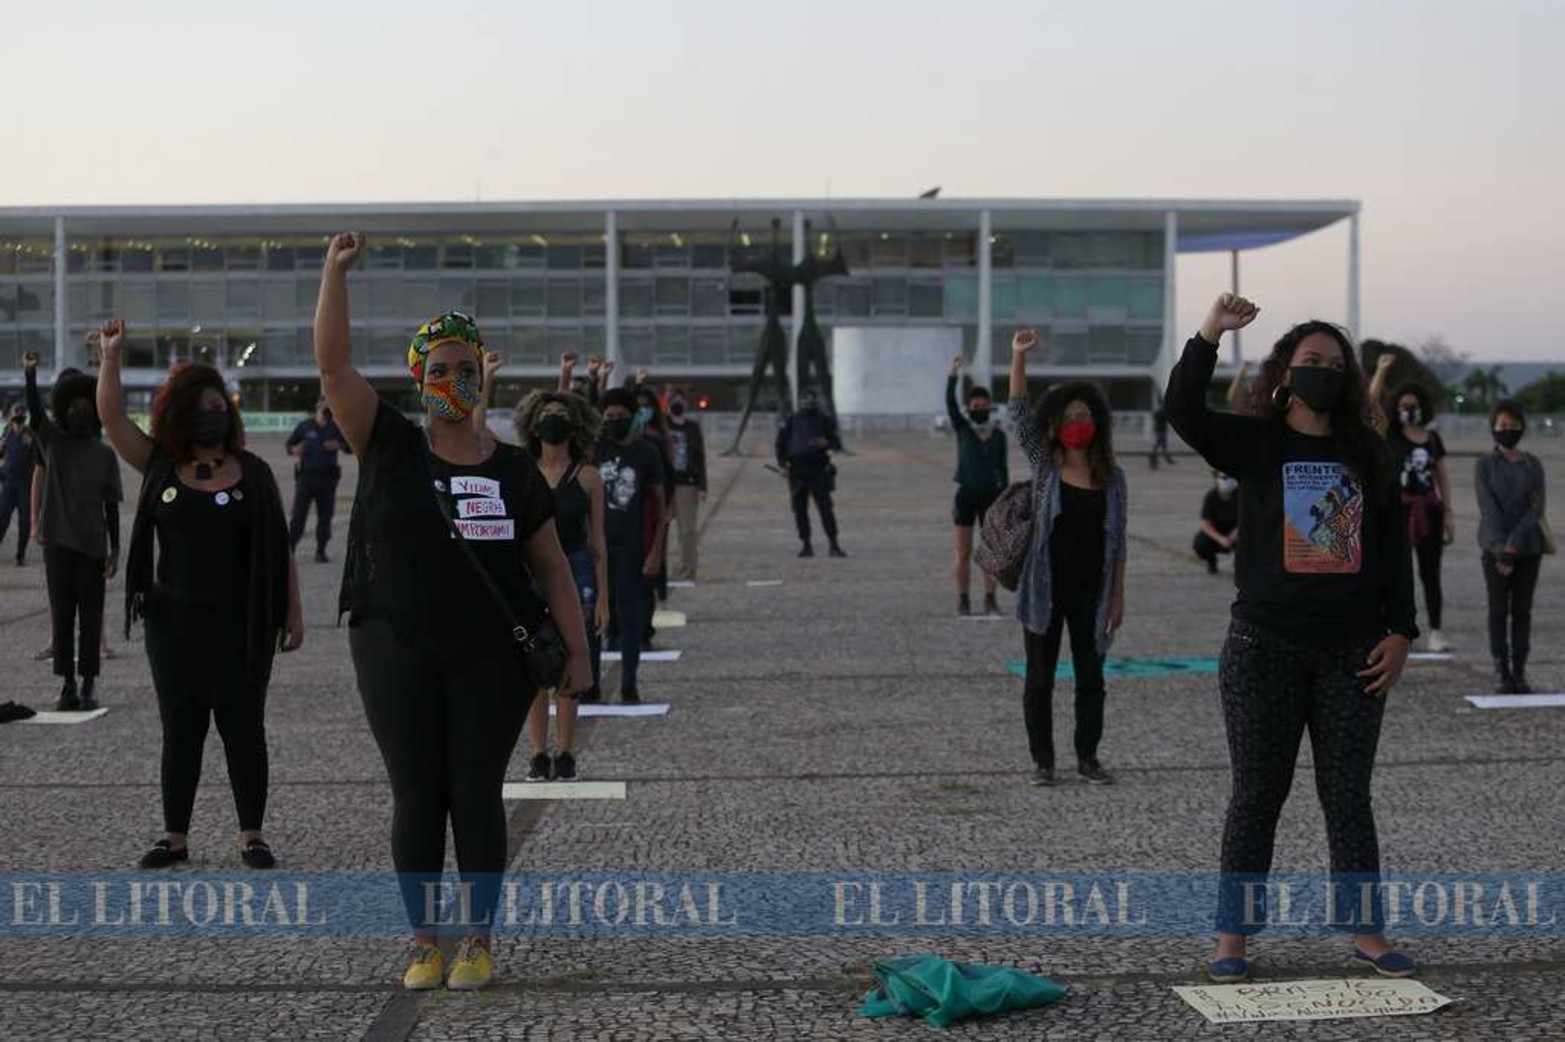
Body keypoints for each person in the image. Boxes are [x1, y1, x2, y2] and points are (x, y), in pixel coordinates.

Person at [316, 233, 590, 992]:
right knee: (416, 794)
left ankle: (476, 938)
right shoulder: (388, 444)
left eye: (465, 369)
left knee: (473, 793)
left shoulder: (514, 470)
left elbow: (552, 567)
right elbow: (334, 366)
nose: (453, 380)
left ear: (481, 377)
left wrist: (578, 653)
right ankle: (421, 942)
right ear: (418, 378)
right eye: (438, 370)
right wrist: (334, 273)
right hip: (393, 647)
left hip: (491, 658)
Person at [1165, 293, 1418, 985]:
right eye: (1310, 361)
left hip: (1353, 652)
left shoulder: (1367, 452)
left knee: (1348, 795)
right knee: (1256, 795)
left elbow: (1393, 547)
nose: (1322, 372)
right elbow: (1183, 411)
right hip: (1263, 647)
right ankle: (1233, 937)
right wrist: (1209, 333)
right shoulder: (1256, 442)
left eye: (1334, 365)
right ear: (1284, 371)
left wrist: (1402, 630)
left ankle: (1365, 931)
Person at [96, 319, 303, 871]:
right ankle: (175, 837)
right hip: (173, 622)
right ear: (180, 413)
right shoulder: (160, 465)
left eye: (220, 405)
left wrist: (293, 613)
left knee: (243, 727)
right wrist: (111, 358)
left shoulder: (254, 473)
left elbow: (279, 549)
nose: (214, 413)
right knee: (181, 728)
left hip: (243, 622)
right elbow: (112, 419)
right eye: (202, 406)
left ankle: (251, 834)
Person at [1008, 330, 1127, 787]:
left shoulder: (1112, 477)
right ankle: (1043, 762)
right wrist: (1018, 358)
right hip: (1045, 588)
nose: (1079, 422)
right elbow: (1019, 413)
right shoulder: (1045, 465)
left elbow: (1118, 542)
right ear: (1055, 424)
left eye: (1085, 415)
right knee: (1040, 678)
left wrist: (1117, 597)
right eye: (1070, 416)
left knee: (1091, 678)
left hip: (1091, 592)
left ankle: (1088, 758)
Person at [514, 388, 610, 778]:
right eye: (546, 413)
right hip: (531, 574)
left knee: (572, 658)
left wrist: (603, 598)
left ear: (575, 426)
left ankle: (566, 751)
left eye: (560, 413)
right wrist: (486, 382)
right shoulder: (524, 471)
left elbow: (598, 543)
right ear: (533, 425)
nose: (552, 419)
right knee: (535, 665)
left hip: (576, 571)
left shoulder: (588, 477)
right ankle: (539, 752)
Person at [24, 352, 122, 711]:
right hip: (58, 545)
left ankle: (89, 683)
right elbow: (36, 415)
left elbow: (111, 506)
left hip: (92, 546)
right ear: (64, 410)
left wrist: (115, 550)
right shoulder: (53, 443)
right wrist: (30, 375)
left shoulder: (104, 455)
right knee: (63, 617)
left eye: (86, 404)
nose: (80, 409)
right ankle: (67, 684)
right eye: (74, 404)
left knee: (90, 619)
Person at [596, 387, 667, 704]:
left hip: (633, 545)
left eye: (620, 416)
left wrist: (656, 552)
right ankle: (591, 682)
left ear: (632, 417)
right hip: (597, 545)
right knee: (594, 614)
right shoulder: (596, 449)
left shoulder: (646, 452)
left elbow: (660, 508)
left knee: (630, 616)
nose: (614, 421)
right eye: (609, 416)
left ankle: (629, 682)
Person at [1476, 400, 1548, 694]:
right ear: (1494, 428)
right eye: (1503, 425)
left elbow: (1536, 507)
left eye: (1514, 425)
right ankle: (1500, 667)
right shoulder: (1485, 464)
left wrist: (1514, 545)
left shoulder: (1533, 464)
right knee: (1497, 609)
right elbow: (1488, 508)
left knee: (1522, 611)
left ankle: (1519, 669)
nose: (1508, 430)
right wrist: (1501, 549)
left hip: (1528, 548)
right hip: (1494, 548)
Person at [1379, 371, 1454, 652]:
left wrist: (1448, 513)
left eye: (1414, 405)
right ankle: (1394, 629)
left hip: (1429, 511)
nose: (1409, 410)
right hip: (1398, 512)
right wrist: (1382, 370)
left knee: (1430, 574)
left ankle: (1436, 630)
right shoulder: (1390, 435)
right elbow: (1371, 402)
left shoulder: (1432, 438)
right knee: (1395, 574)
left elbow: (1442, 475)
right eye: (1404, 405)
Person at [946, 355, 1009, 615]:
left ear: (989, 407)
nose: (980, 408)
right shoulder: (963, 429)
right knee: (963, 552)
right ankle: (963, 599)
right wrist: (953, 375)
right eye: (975, 405)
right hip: (966, 496)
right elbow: (950, 403)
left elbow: (1003, 469)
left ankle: (990, 598)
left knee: (991, 552)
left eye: (984, 405)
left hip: (992, 498)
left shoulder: (999, 435)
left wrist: (1006, 497)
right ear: (969, 407)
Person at [777, 387, 845, 558]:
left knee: (826, 509)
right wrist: (782, 465)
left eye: (812, 401)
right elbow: (780, 443)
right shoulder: (791, 420)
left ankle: (834, 545)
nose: (809, 404)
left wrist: (826, 443)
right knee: (800, 510)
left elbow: (836, 443)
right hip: (797, 471)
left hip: (818, 470)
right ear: (800, 402)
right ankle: (806, 545)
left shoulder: (825, 420)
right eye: (806, 401)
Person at [285, 397, 350, 563]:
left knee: (325, 517)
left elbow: (349, 447)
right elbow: (289, 445)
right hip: (306, 479)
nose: (327, 408)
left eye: (330, 405)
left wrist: (339, 445)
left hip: (327, 480)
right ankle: (290, 549)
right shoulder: (305, 426)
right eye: (325, 405)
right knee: (298, 516)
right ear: (318, 406)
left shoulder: (336, 427)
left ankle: (320, 551)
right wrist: (294, 449)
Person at [664, 386, 708, 582]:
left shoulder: (692, 427)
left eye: (680, 400)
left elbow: (700, 457)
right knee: (660, 530)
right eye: (674, 400)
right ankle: (659, 570)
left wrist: (702, 486)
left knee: (688, 530)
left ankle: (687, 570)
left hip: (687, 484)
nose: (677, 403)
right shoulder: (662, 425)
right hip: (664, 483)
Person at [0, 404, 37, 566]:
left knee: (24, 522)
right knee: (2, 519)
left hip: (25, 486)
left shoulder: (30, 434)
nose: (19, 416)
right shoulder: (6, 433)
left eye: (21, 413)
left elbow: (39, 459)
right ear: (11, 415)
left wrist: (32, 445)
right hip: (8, 484)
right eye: (16, 412)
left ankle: (20, 555)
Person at [1194, 470, 1240, 574]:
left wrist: (1236, 534)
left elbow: (1250, 519)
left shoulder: (1242, 496)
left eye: (1231, 477)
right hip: (1218, 534)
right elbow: (1205, 522)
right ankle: (1211, 560)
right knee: (1201, 543)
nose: (1227, 481)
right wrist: (1220, 538)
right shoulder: (1211, 496)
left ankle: (1240, 562)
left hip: (1238, 533)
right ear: (1216, 478)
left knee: (1252, 540)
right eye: (1224, 477)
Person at [1149, 400, 1176, 468]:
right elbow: (1167, 419)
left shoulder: (1157, 412)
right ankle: (1154, 458)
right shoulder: (1163, 412)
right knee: (1159, 444)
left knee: (1162, 444)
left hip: (1158, 429)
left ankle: (1166, 458)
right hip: (1162, 430)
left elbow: (1155, 418)